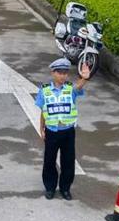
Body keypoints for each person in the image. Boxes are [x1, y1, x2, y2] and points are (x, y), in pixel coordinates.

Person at [35, 58, 90, 201]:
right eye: (59, 72)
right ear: (53, 73)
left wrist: (84, 78)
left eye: (65, 73)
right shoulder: (44, 90)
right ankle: (50, 187)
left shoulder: (70, 89)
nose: (62, 75)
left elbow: (78, 87)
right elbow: (43, 110)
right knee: (49, 160)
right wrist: (41, 127)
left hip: (68, 131)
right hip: (52, 131)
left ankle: (65, 188)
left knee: (68, 161)